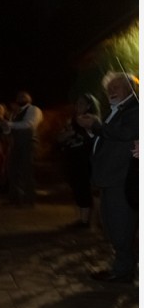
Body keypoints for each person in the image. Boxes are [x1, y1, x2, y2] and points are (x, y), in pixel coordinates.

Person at [78, 72, 139, 283]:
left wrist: (96, 125)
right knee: (112, 224)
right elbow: (109, 137)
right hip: (110, 178)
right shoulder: (118, 109)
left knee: (120, 226)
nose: (111, 91)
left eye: (117, 87)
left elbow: (126, 133)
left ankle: (123, 271)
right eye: (109, 89)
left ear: (130, 89)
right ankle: (121, 266)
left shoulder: (135, 108)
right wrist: (92, 130)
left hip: (120, 178)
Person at [56, 93, 99, 228]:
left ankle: (87, 221)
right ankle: (82, 219)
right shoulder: (72, 120)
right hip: (72, 158)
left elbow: (93, 135)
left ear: (89, 105)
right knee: (77, 188)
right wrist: (67, 134)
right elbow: (59, 138)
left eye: (81, 103)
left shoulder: (91, 119)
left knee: (84, 189)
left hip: (85, 159)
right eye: (77, 103)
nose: (78, 106)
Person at [1, 91, 43, 206]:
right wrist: (5, 127)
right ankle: (15, 199)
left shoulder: (34, 109)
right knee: (13, 171)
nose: (21, 97)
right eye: (19, 96)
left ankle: (29, 200)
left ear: (30, 98)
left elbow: (30, 124)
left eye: (24, 96)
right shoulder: (15, 113)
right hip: (16, 144)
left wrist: (10, 124)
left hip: (28, 143)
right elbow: (9, 131)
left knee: (26, 171)